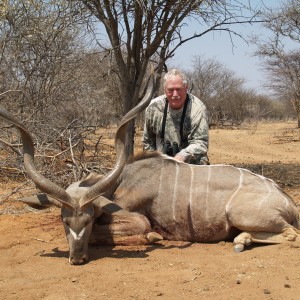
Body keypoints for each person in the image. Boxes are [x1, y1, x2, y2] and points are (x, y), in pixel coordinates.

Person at [142, 68, 209, 165]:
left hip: (192, 165)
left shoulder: (198, 109)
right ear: (165, 90)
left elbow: (200, 143)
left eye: (178, 89)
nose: (175, 94)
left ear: (186, 88)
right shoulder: (153, 107)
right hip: (161, 163)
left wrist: (182, 155)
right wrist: (154, 162)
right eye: (170, 90)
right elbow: (147, 142)